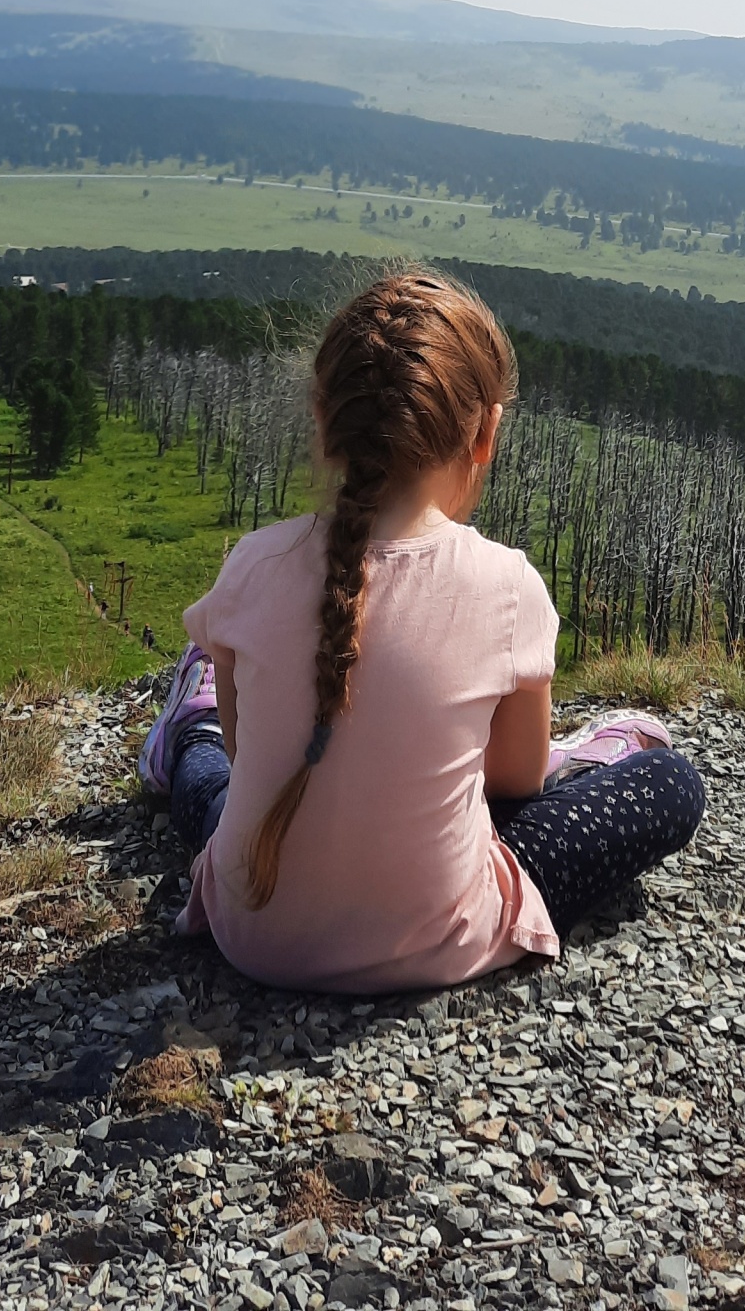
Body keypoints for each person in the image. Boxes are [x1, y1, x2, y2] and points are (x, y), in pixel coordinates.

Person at [146, 267, 705, 994]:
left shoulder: (252, 566)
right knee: (669, 782)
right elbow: (515, 781)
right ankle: (593, 753)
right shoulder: (507, 586)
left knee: (218, 780)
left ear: (322, 417)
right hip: (436, 941)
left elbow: (254, 746)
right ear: (486, 434)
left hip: (250, 934)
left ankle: (185, 730)